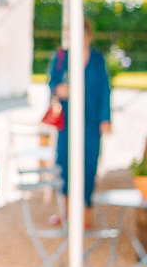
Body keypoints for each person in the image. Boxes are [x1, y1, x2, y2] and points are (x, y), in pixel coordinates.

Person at [47, 15, 113, 219]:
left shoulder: (97, 60)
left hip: (91, 122)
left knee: (89, 164)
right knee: (64, 164)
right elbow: (51, 83)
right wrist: (59, 89)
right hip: (67, 122)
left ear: (89, 36)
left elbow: (105, 91)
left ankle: (85, 214)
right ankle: (65, 213)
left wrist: (106, 119)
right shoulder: (61, 57)